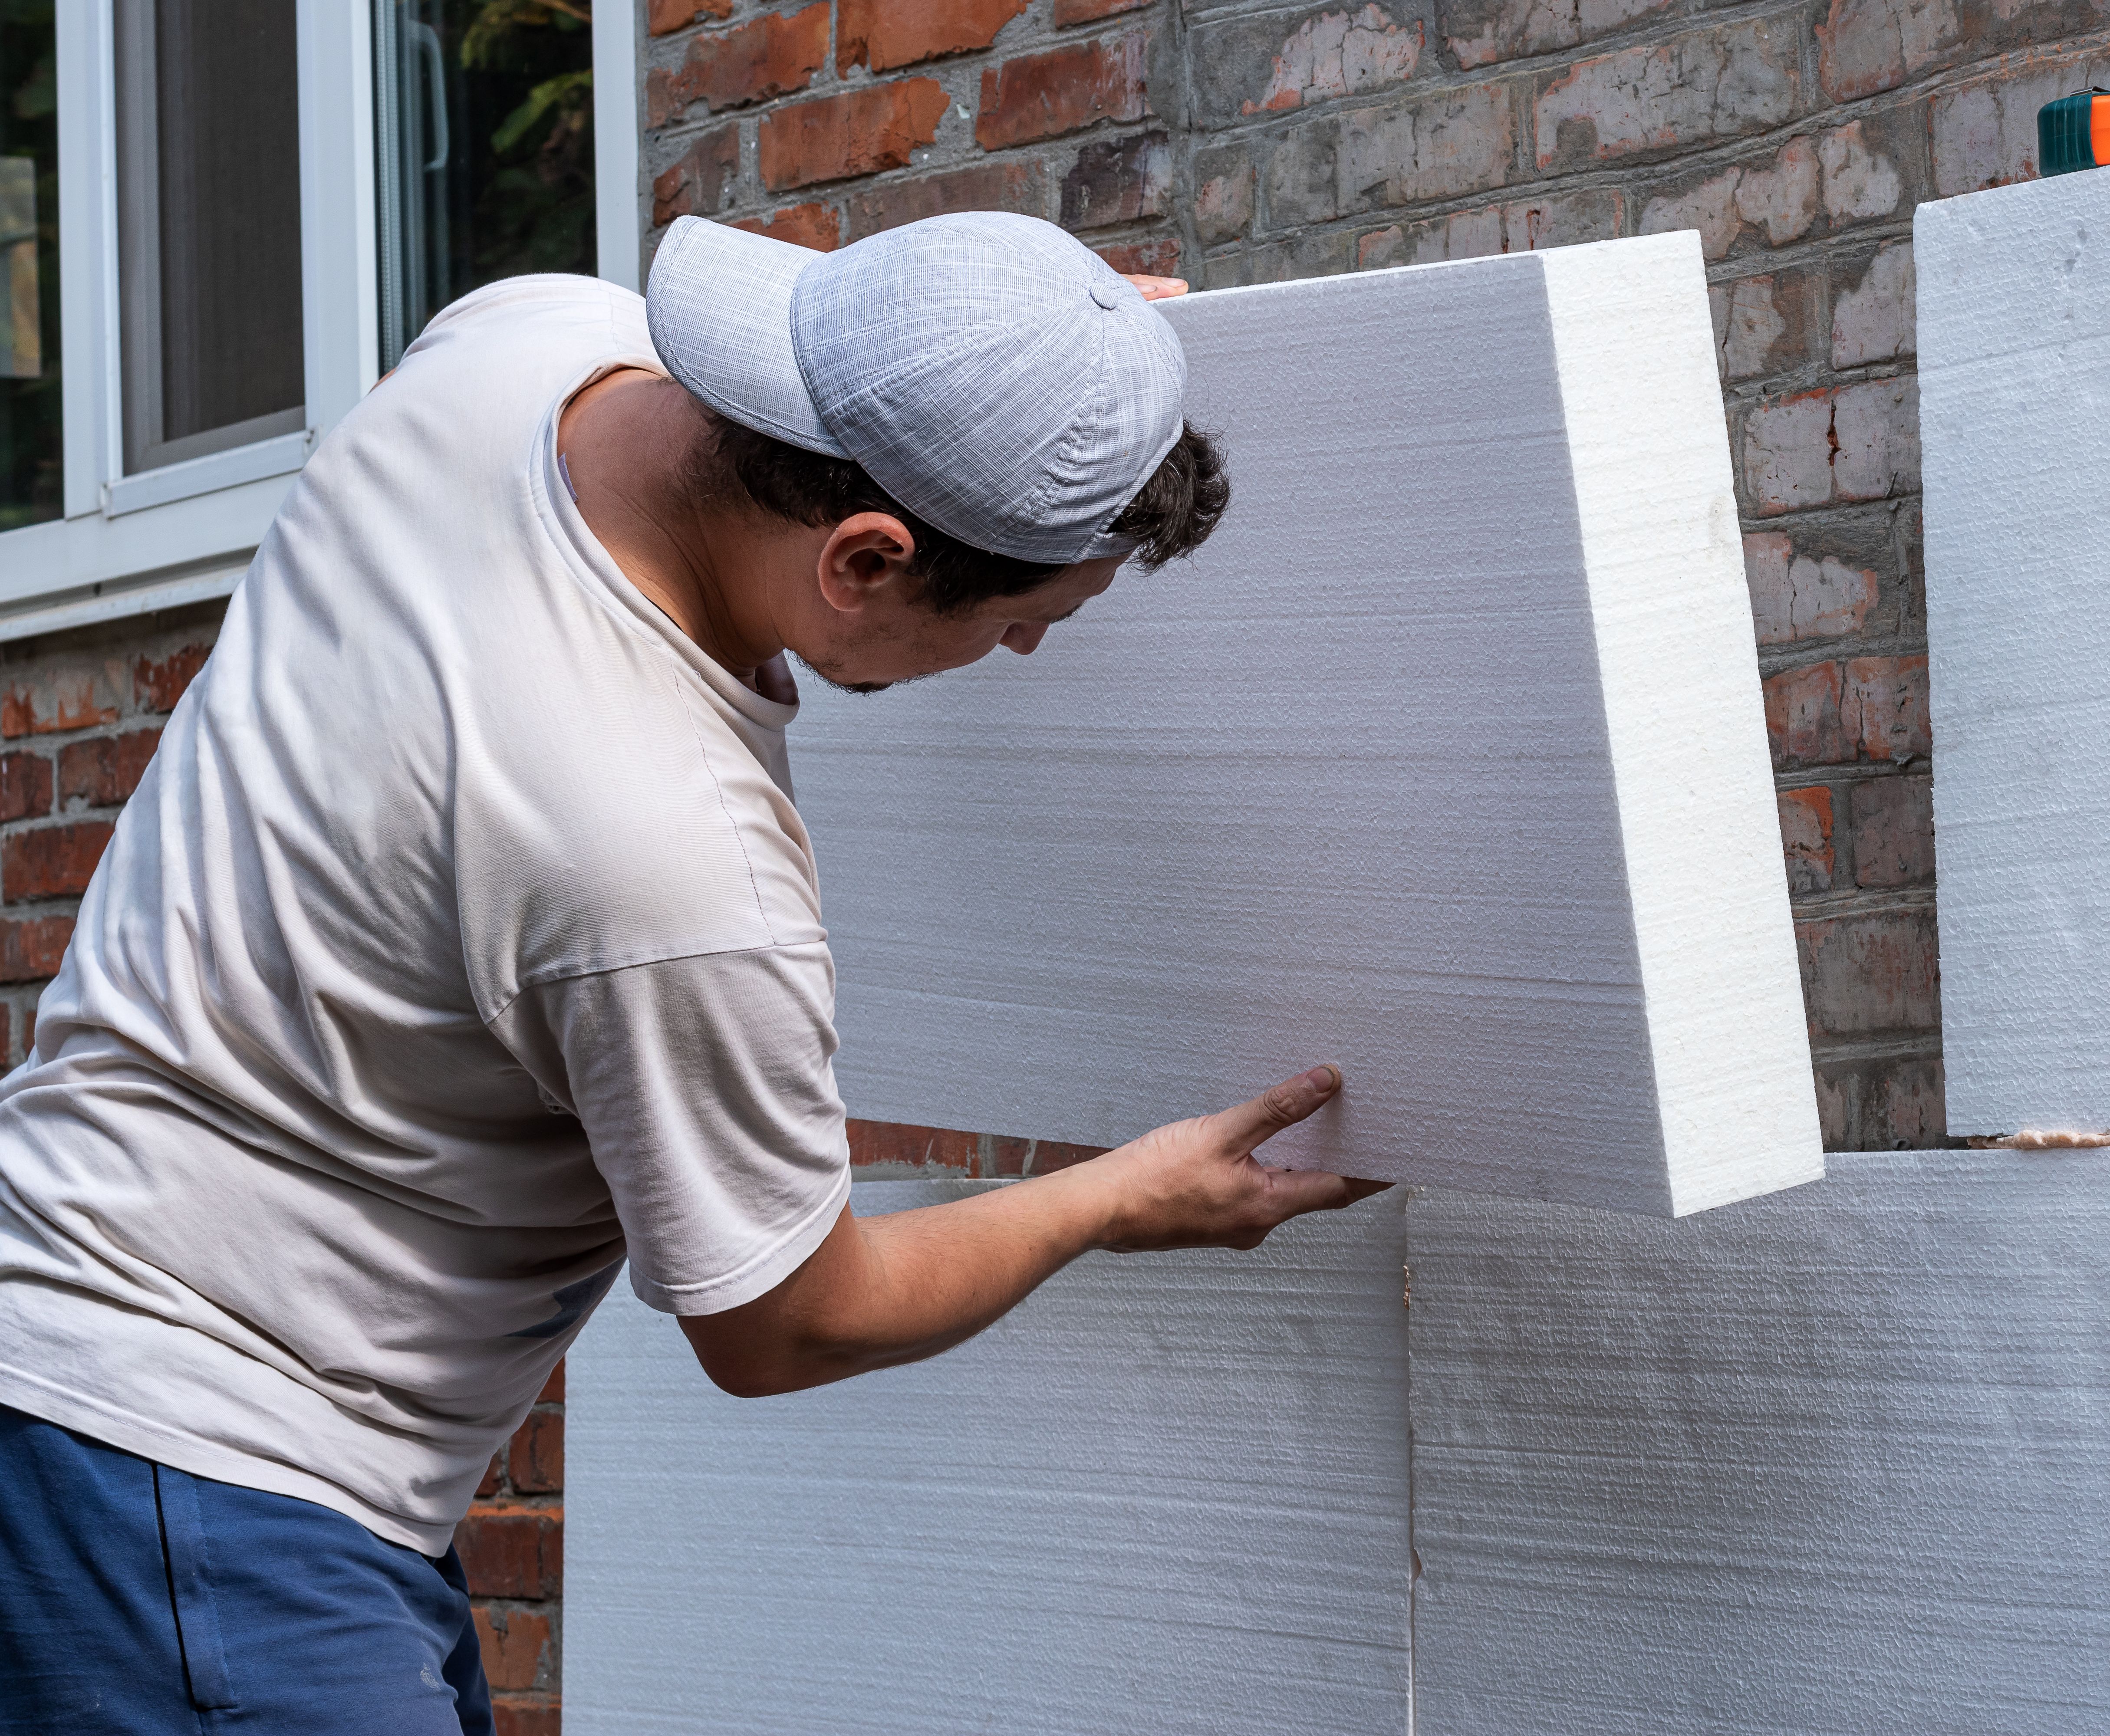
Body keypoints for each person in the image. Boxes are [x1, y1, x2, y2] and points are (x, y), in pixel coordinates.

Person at [0, 211, 1383, 1733]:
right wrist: (1118, 1200)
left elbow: (862, 361)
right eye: (1017, 626)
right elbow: (789, 1320)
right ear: (867, 560)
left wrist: (1030, 348)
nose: (1027, 658)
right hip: (201, 1478)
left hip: (76, 1345)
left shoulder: (520, 345)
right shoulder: (667, 858)